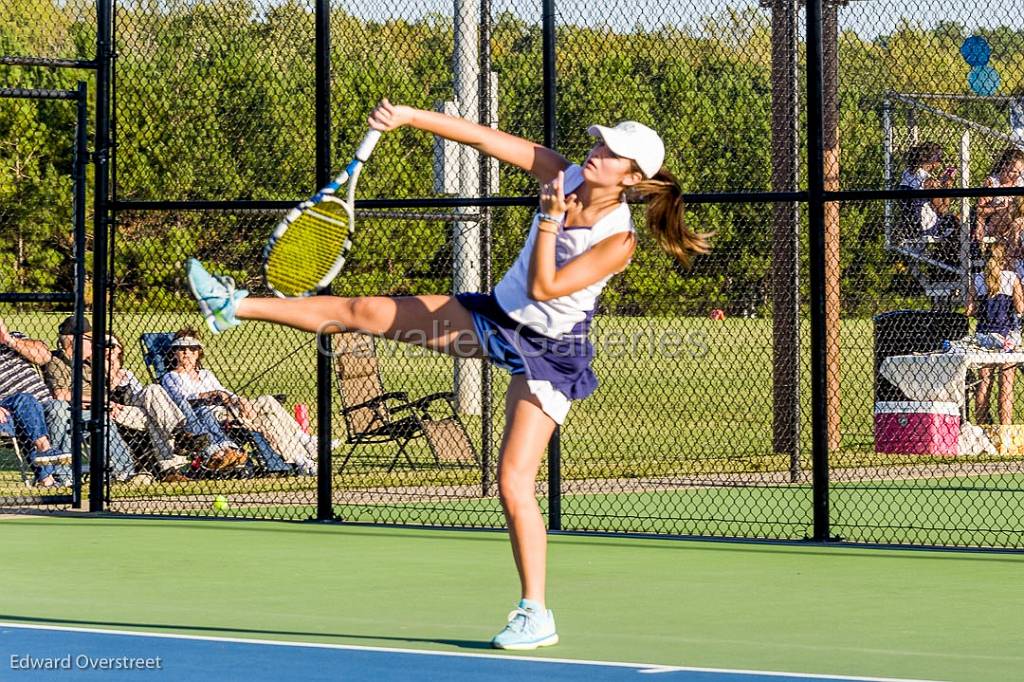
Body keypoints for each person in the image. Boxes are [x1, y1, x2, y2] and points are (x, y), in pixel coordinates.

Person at [185, 99, 710, 649]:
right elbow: (484, 138)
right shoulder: (564, 172)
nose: (597, 151)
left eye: (611, 151)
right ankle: (233, 305)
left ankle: (536, 613)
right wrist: (410, 117)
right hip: (492, 316)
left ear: (633, 177)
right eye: (601, 142)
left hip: (551, 353)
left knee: (512, 482)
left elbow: (545, 290)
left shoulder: (617, 240)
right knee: (361, 312)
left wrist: (550, 220)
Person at [159, 329, 315, 474]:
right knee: (267, 421)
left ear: (199, 352)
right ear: (174, 353)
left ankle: (305, 441)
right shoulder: (171, 377)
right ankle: (300, 459)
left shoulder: (206, 374)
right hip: (209, 413)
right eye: (181, 348)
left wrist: (240, 401)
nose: (187, 352)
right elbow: (184, 399)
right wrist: (213, 394)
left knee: (268, 401)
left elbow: (225, 391)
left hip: (229, 408)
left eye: (192, 348)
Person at [0, 317, 75, 486]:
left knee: (59, 408)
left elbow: (44, 357)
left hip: (44, 404)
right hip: (7, 409)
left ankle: (52, 479)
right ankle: (46, 452)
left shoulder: (16, 338)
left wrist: (8, 340)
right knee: (25, 399)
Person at [967, 242, 1024, 425]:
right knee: (1006, 387)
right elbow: (1020, 308)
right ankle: (1004, 432)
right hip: (1007, 338)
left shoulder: (976, 279)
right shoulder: (1011, 278)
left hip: (984, 337)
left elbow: (969, 310)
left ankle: (983, 426)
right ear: (1004, 258)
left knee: (984, 384)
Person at [975, 147, 1024, 245]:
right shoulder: (992, 183)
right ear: (1003, 167)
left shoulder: (1021, 182)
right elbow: (980, 211)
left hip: (1018, 221)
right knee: (1010, 209)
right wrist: (1000, 208)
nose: (1017, 176)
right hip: (997, 222)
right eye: (1013, 171)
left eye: (1020, 172)